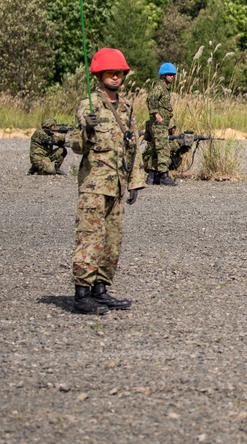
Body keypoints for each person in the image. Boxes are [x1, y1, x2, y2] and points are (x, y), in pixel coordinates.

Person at [70, 47, 146, 315]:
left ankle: (100, 289)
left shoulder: (125, 108)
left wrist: (136, 180)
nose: (115, 77)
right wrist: (86, 128)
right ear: (99, 75)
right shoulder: (88, 105)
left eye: (119, 73)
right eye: (110, 73)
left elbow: (133, 146)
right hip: (94, 184)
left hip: (117, 184)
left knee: (113, 239)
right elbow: (77, 145)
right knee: (90, 237)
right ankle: (82, 293)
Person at [144, 62, 177, 186]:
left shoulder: (164, 88)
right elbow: (151, 98)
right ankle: (164, 176)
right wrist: (155, 113)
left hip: (160, 124)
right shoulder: (160, 87)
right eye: (169, 74)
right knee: (163, 149)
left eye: (173, 75)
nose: (172, 77)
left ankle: (151, 177)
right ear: (163, 75)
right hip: (159, 125)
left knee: (154, 150)